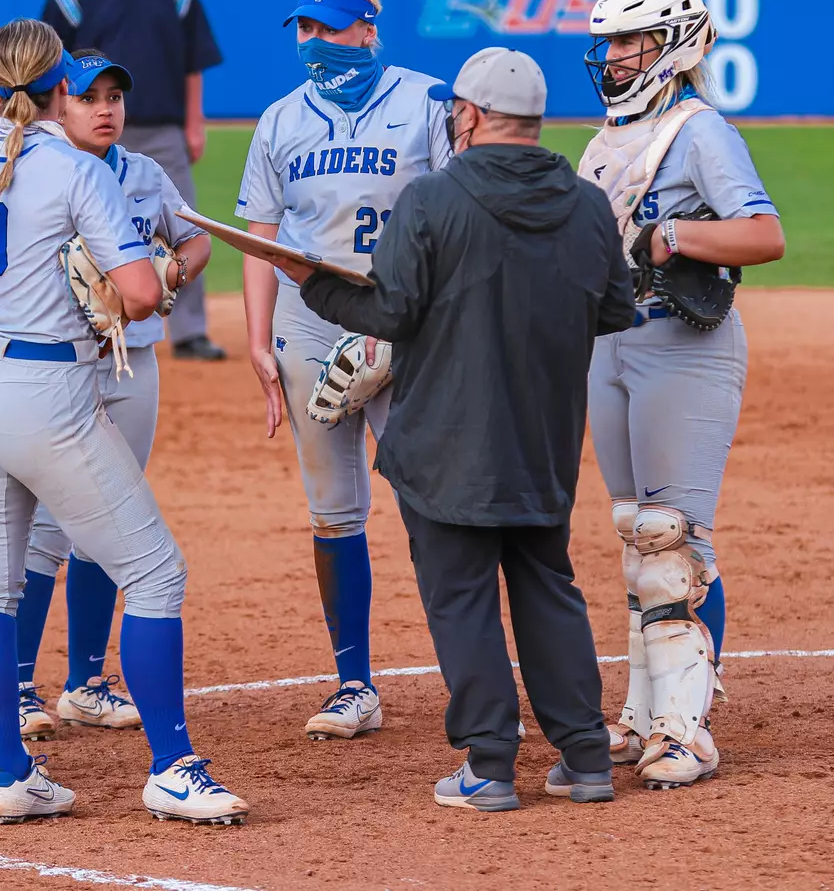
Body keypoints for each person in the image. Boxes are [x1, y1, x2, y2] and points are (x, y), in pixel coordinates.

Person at [0, 18, 247, 826]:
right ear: (60, 90)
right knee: (155, 573)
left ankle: (6, 772)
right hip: (44, 393)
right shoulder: (77, 171)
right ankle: (172, 767)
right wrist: (159, 277)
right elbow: (137, 295)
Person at [264, 47, 635, 811]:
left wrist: (316, 285)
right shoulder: (588, 202)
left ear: (466, 115)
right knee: (548, 587)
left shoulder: (432, 200)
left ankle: (490, 765)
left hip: (447, 440)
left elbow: (389, 314)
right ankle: (585, 757)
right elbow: (614, 310)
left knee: (462, 598)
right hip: (545, 437)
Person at [577, 0, 785, 789]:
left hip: (684, 346)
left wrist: (674, 236)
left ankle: (686, 725)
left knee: (675, 538)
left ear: (676, 45)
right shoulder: (602, 142)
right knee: (634, 531)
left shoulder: (701, 131)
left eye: (632, 42)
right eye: (612, 43)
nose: (616, 57)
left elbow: (764, 236)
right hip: (610, 346)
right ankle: (641, 710)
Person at [235, 0, 451, 741]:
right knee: (333, 512)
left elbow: (459, 219)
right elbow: (260, 238)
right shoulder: (279, 121)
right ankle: (353, 684)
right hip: (311, 326)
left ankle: (467, 676)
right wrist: (258, 340)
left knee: (435, 502)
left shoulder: (428, 101)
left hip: (404, 323)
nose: (313, 41)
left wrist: (417, 325)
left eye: (329, 26)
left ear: (368, 28)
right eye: (303, 27)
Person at [13, 49, 213, 740]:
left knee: (107, 522)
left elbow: (195, 242)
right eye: (89, 97)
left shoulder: (143, 173)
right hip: (57, 369)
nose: (105, 109)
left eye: (115, 98)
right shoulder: (35, 173)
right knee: (42, 530)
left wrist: (170, 275)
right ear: (58, 103)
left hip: (132, 369)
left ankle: (87, 682)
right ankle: (14, 684)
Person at [41, 0, 226, 361]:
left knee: (180, 221)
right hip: (80, 132)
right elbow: (49, 66)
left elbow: (193, 61)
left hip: (162, 126)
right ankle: (69, 321)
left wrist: (195, 122)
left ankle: (188, 331)